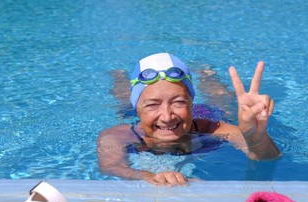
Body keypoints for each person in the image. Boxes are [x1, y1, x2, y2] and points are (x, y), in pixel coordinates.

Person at [97, 53, 281, 186]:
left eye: (178, 102)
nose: (167, 116)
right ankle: (118, 76)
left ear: (191, 103)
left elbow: (266, 158)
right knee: (123, 105)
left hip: (207, 114)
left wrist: (254, 135)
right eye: (152, 105)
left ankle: (207, 74)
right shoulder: (119, 135)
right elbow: (111, 166)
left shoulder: (213, 128)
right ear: (137, 110)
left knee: (222, 103)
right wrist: (148, 176)